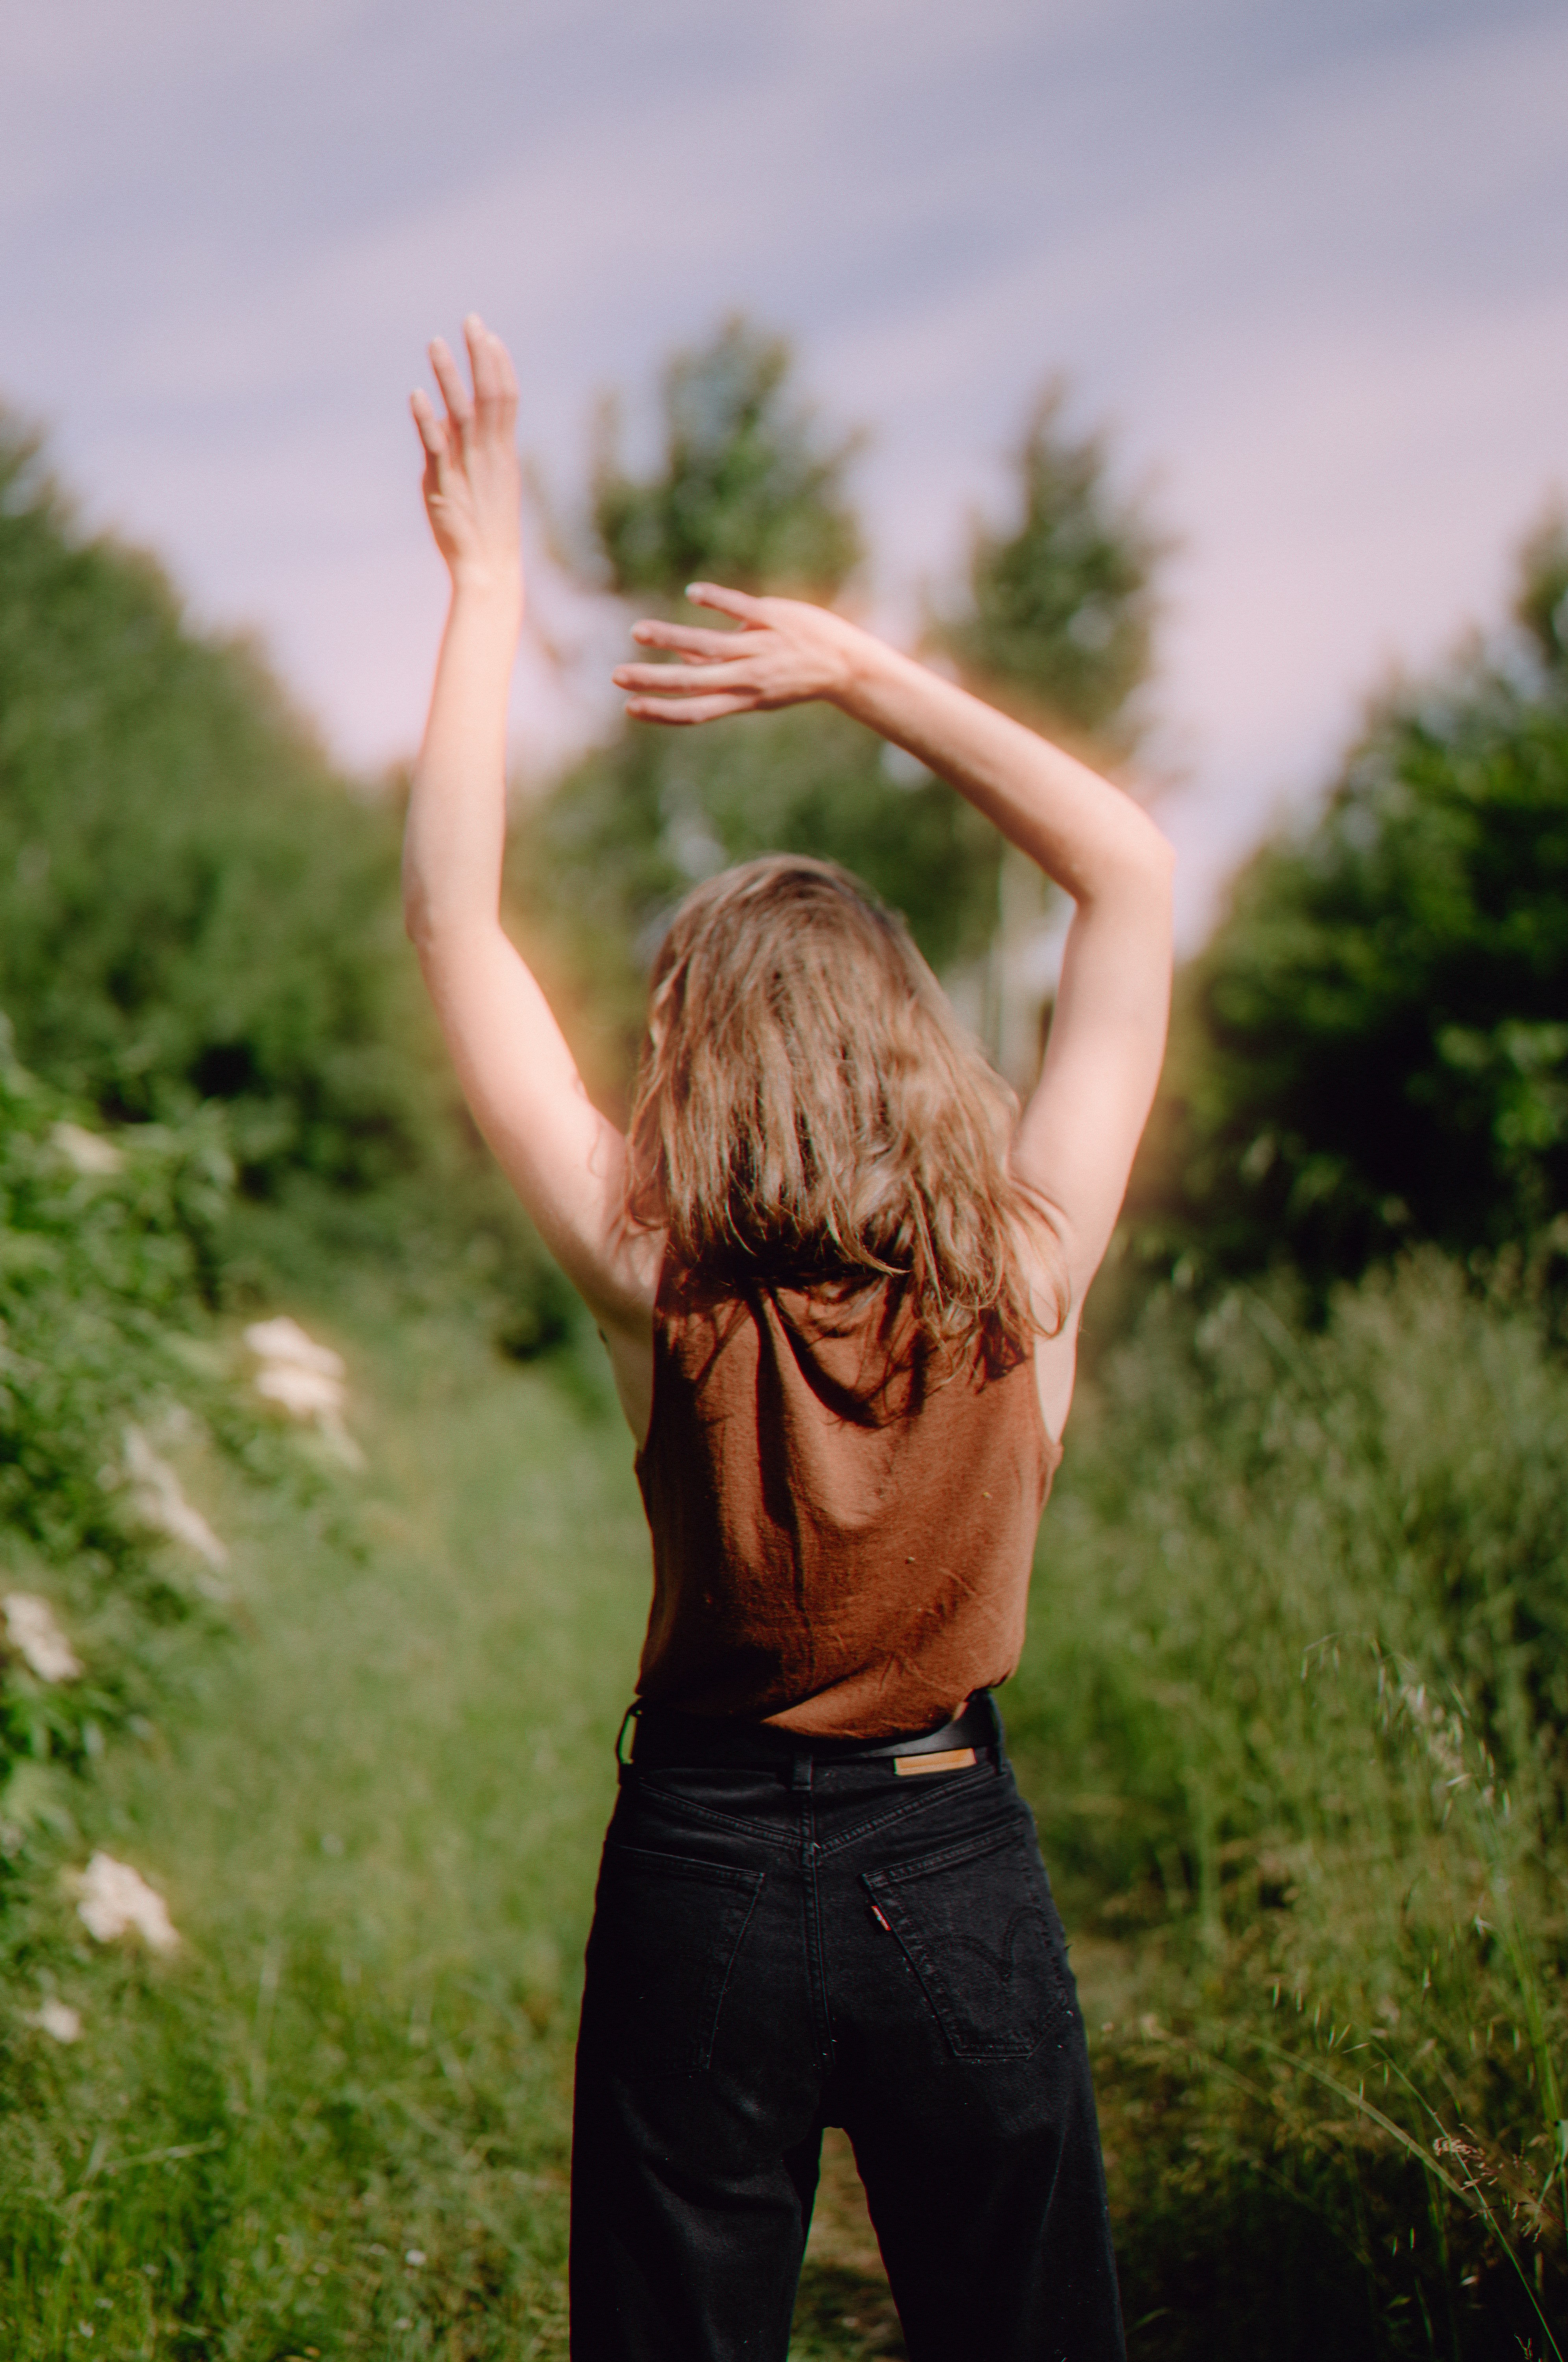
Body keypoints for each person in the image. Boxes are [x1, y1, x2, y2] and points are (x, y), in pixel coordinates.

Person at [406, 317, 1173, 2362]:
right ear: (907, 1042)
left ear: (703, 1057)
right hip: (960, 1849)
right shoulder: (1027, 1261)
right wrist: (867, 676)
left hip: (710, 1866)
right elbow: (1130, 875)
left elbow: (457, 928)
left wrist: (487, 593)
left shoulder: (665, 1277)